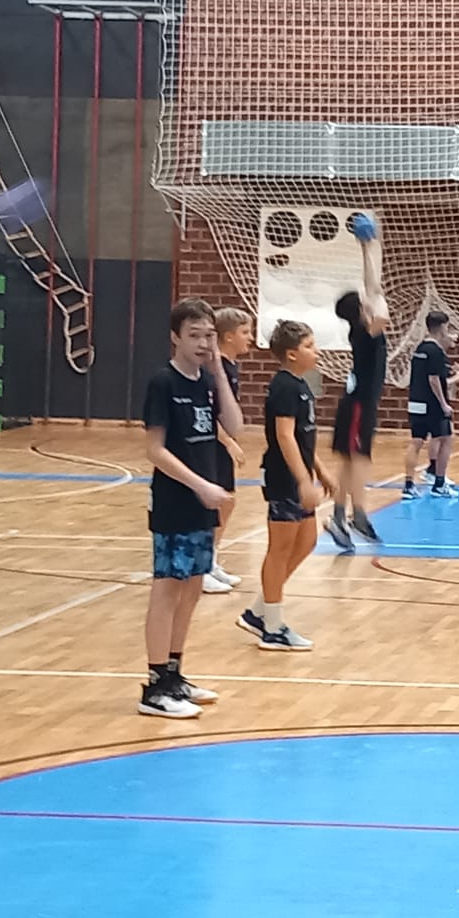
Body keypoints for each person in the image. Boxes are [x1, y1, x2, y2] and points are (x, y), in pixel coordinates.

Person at [140, 297, 244, 716]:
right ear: (175, 337)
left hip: (204, 499)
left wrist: (218, 373)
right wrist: (201, 486)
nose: (203, 343)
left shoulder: (207, 381)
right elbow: (154, 450)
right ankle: (154, 687)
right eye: (194, 335)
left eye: (209, 336)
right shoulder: (163, 383)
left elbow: (234, 426)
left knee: (193, 589)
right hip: (175, 500)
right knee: (168, 589)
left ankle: (175, 674)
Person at [238, 319, 333, 651]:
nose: (316, 351)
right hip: (283, 478)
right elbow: (284, 436)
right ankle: (273, 628)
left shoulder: (301, 385)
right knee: (279, 549)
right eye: (309, 346)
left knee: (307, 540)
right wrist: (303, 480)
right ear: (292, 354)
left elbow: (304, 440)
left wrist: (321, 471)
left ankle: (258, 611)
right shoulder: (284, 386)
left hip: (299, 475)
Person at [325, 227, 389, 551]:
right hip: (358, 405)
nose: (371, 301)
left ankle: (344, 516)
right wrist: (370, 247)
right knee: (358, 459)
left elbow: (373, 289)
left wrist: (367, 248)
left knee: (353, 461)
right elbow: (377, 297)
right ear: (361, 310)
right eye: (365, 303)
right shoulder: (367, 331)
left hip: (359, 403)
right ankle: (356, 514)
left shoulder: (362, 327)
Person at [202, 306, 252, 595]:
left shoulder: (230, 366)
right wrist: (229, 442)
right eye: (245, 332)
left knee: (227, 500)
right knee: (217, 502)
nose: (250, 338)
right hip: (211, 445)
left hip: (220, 444)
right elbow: (209, 413)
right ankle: (201, 566)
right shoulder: (214, 367)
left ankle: (211, 559)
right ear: (229, 336)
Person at [403, 310, 459, 500]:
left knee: (416, 441)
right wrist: (444, 403)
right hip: (432, 404)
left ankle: (408, 486)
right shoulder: (436, 351)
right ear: (443, 327)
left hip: (415, 401)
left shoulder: (420, 348)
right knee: (446, 439)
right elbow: (434, 380)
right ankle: (439, 483)